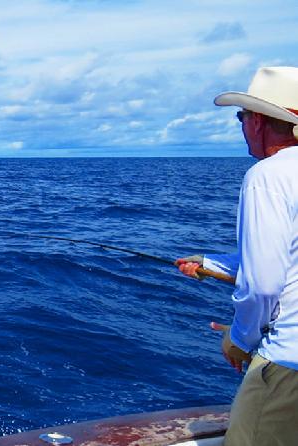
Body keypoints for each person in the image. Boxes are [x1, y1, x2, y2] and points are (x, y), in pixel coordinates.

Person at [176, 66, 298, 446]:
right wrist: (210, 265)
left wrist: (240, 340)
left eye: (241, 116)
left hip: (288, 366)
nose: (241, 125)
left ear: (258, 120)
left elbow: (263, 284)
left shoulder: (269, 175)